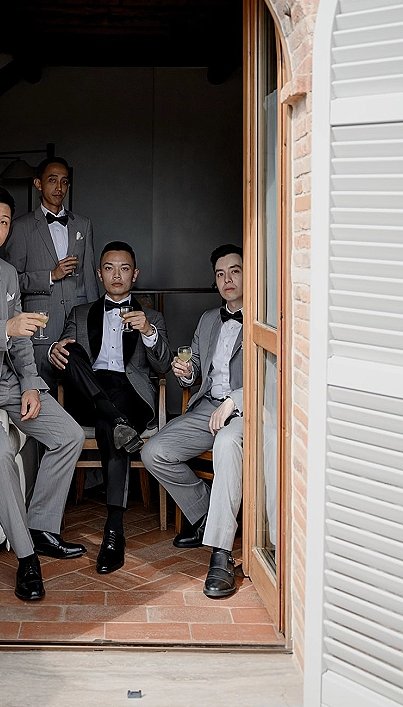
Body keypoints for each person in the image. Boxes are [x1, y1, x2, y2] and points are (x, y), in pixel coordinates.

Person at [0, 184, 87, 603]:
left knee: (69, 436)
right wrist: (5, 328)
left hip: (11, 380)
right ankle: (27, 558)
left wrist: (30, 382)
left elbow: (20, 341)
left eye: (4, 222)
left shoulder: (9, 273)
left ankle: (42, 527)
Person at [49, 241, 172, 575]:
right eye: (109, 268)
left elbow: (163, 366)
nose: (117, 275)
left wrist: (148, 332)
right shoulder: (80, 313)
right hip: (90, 392)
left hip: (131, 394)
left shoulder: (152, 317)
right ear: (99, 274)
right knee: (71, 351)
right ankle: (114, 530)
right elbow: (62, 359)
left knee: (112, 426)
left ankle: (113, 529)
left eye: (124, 268)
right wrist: (54, 351)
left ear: (135, 274)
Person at [142, 244, 244, 599]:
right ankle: (207, 516)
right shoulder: (208, 319)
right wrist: (185, 372)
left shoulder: (264, 318)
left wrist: (233, 402)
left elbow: (272, 377)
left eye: (235, 271)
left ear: (250, 273)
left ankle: (221, 554)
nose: (227, 280)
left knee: (227, 442)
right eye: (220, 274)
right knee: (154, 452)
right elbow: (196, 371)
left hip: (245, 411)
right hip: (207, 408)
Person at [4, 156, 99, 388]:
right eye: (52, 180)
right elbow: (10, 282)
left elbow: (88, 276)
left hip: (78, 320)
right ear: (38, 183)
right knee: (40, 389)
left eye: (64, 181)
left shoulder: (83, 224)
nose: (59, 187)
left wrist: (95, 320)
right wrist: (50, 276)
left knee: (80, 388)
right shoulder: (21, 227)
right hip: (41, 324)